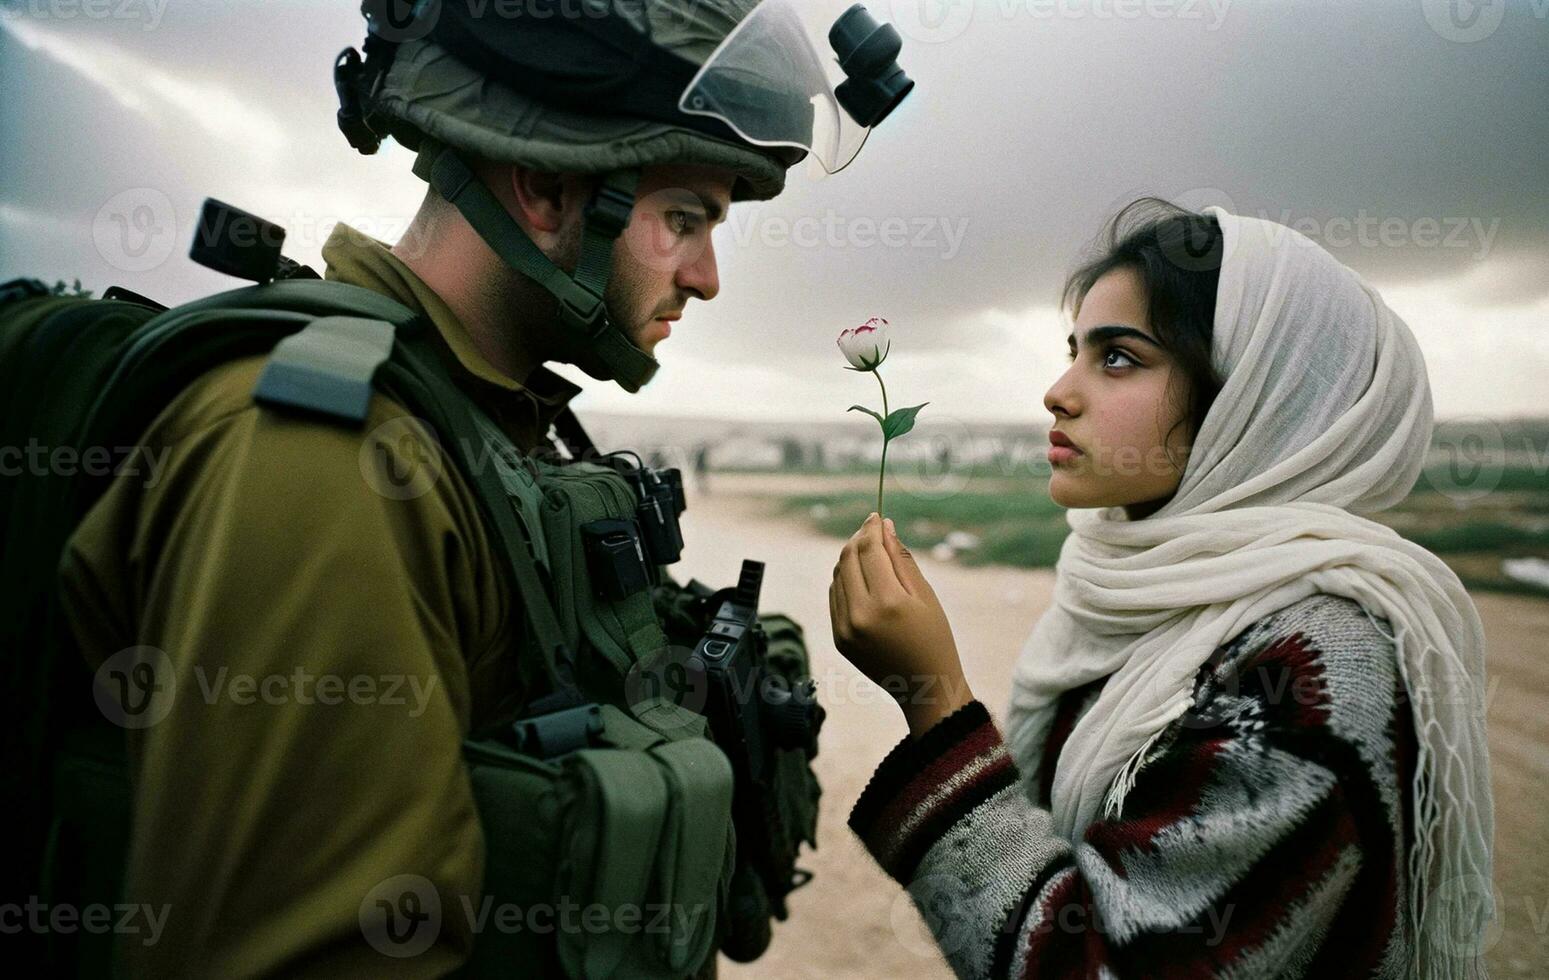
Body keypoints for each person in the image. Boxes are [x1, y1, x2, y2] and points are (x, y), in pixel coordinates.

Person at [9, 0, 911, 975]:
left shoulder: (491, 420)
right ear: (542, 186)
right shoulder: (330, 463)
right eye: (683, 218)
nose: (705, 276)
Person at [829, 200, 1495, 978]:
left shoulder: (1314, 664)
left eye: (1116, 357)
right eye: (1074, 350)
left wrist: (936, 704)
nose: (1056, 391)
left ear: (1251, 397)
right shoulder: (1129, 594)